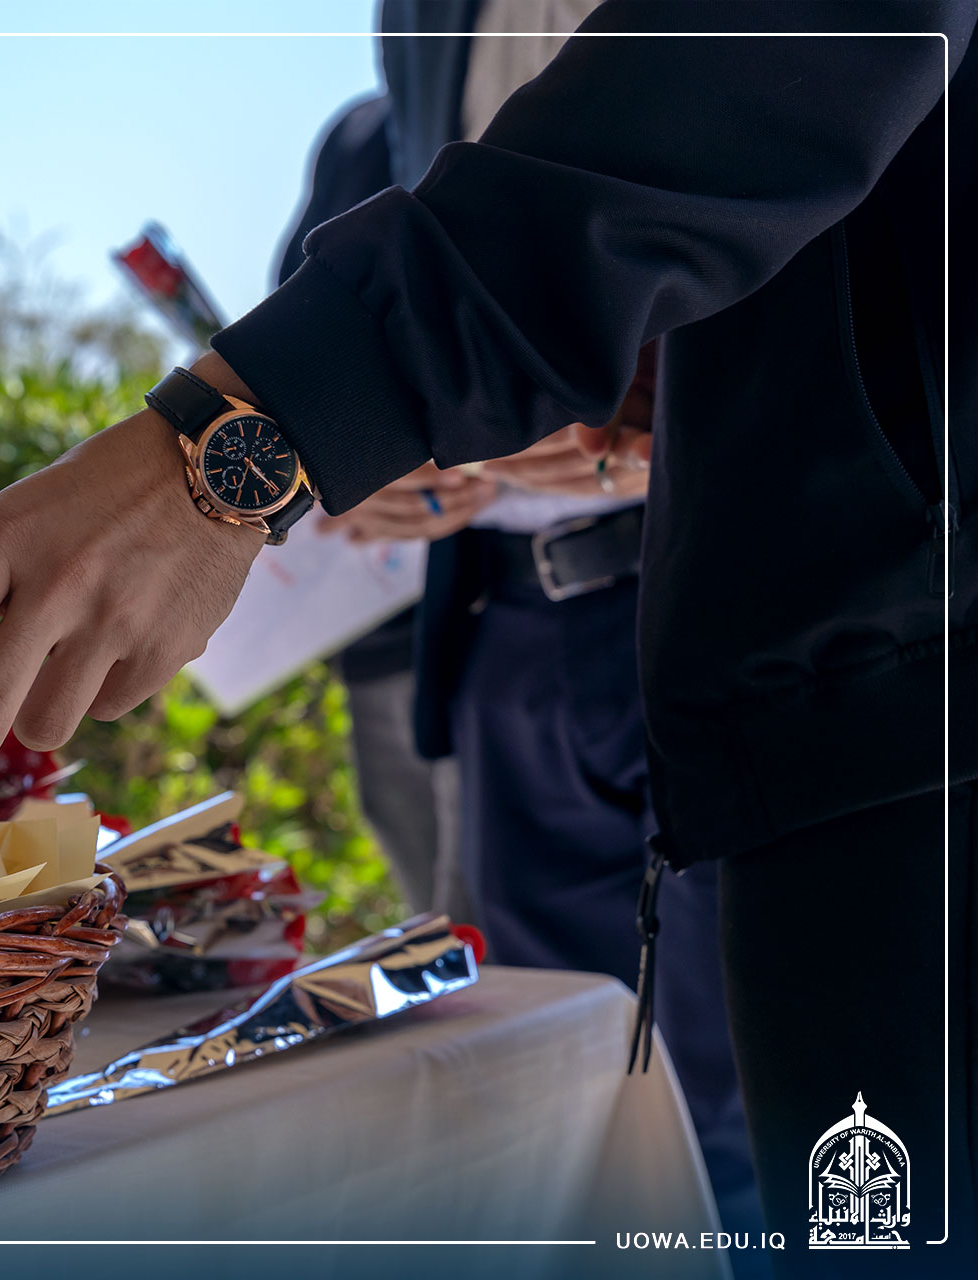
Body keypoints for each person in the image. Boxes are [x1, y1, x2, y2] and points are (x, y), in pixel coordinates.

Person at [0, 4, 973, 1269]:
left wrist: (246, 439)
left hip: (893, 659)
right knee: (625, 1138)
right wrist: (385, 441)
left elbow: (756, 71)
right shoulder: (416, 24)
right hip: (598, 639)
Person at [321, 3, 761, 1246]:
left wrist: (667, 425)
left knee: (743, 1116)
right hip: (504, 627)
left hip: (724, 600)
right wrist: (379, 453)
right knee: (553, 1103)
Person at [277, 93, 475, 930]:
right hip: (381, 627)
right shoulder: (363, 135)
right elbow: (295, 337)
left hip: (521, 608)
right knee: (454, 936)